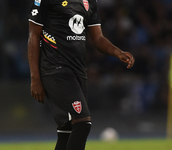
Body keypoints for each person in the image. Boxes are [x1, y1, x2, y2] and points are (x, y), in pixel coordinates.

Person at [28, 0, 135, 149]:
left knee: (66, 131)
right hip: (55, 69)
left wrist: (118, 52)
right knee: (83, 123)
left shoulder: (90, 2)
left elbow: (98, 38)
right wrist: (35, 78)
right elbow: (34, 36)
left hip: (78, 71)